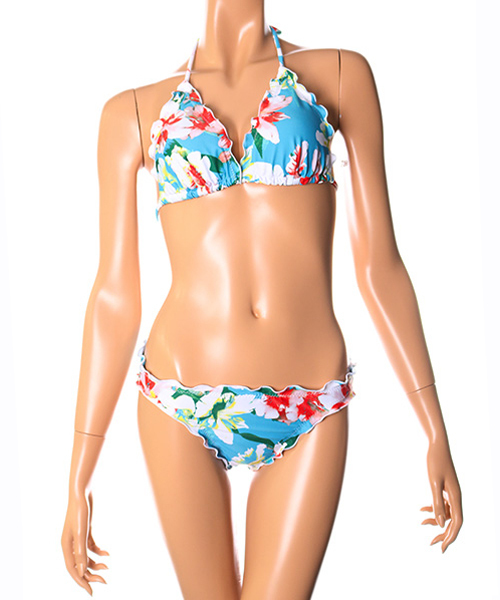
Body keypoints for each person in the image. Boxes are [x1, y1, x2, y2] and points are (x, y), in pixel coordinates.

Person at [61, 2, 463, 598]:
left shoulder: (341, 74)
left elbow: (380, 265)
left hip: (311, 402)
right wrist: (80, 471)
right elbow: (114, 296)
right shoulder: (132, 112)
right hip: (179, 397)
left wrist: (434, 426)